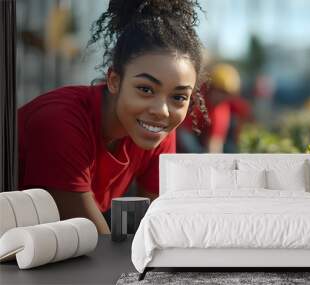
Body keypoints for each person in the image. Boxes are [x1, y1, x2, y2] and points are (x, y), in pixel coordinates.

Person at [18, 0, 207, 234]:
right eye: (146, 89)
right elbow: (95, 244)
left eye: (178, 97)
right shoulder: (60, 123)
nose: (162, 110)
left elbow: (149, 231)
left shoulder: (156, 130)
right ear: (114, 81)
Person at [177, 63, 244, 153]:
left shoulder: (222, 111)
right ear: (212, 87)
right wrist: (196, 153)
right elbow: (184, 131)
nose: (223, 97)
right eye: (221, 91)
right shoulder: (196, 99)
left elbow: (215, 142)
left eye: (226, 94)